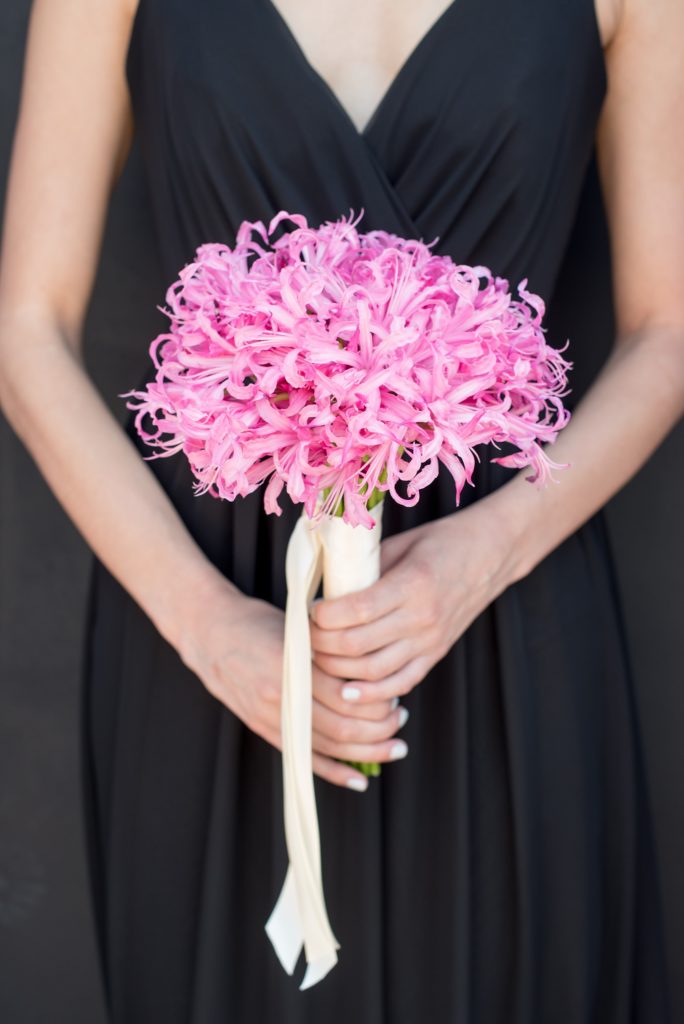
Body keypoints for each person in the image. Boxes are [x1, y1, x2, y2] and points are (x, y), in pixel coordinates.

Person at [0, 0, 682, 1020]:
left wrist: (487, 551)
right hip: (206, 619)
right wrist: (209, 626)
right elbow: (25, 335)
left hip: (507, 610)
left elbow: (666, 331)